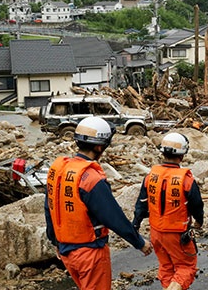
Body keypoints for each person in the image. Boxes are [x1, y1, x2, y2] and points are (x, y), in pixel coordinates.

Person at [44, 116, 153, 290]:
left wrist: (55, 241)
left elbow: (49, 207)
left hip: (66, 251)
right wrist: (139, 242)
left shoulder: (58, 170)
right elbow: (113, 217)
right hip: (90, 253)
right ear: (100, 147)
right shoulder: (91, 178)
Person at [133, 132, 204, 290]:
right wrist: (200, 221)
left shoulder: (150, 177)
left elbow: (140, 206)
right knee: (186, 268)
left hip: (156, 233)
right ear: (183, 154)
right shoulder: (186, 180)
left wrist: (135, 226)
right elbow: (197, 206)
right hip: (177, 234)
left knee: (166, 268)